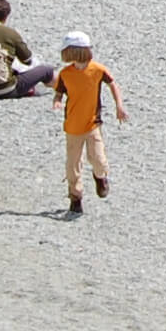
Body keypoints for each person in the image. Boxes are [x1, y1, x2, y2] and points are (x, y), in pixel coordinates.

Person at [53, 30, 126, 215]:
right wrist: (57, 100)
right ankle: (75, 197)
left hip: (92, 124)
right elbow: (60, 91)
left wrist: (119, 105)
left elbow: (112, 84)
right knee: (73, 165)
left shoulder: (98, 70)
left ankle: (100, 177)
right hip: (72, 127)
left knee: (98, 159)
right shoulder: (65, 73)